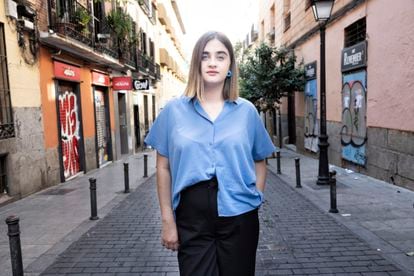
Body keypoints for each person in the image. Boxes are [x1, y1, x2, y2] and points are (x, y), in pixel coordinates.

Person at [144, 31, 275, 276]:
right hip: (191, 218)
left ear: (229, 66)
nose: (212, 62)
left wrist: (255, 197)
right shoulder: (173, 111)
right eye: (205, 56)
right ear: (197, 64)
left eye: (220, 56)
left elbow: (260, 159)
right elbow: (163, 167)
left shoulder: (246, 111)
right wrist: (167, 220)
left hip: (240, 214)